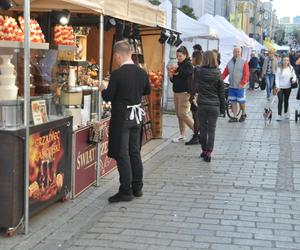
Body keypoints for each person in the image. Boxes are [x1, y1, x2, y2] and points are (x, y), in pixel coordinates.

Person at [100, 40, 151, 203]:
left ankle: (125, 190)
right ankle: (138, 187)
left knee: (123, 154)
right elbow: (147, 90)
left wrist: (102, 88)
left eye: (115, 56)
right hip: (136, 116)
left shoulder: (117, 74)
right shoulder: (141, 72)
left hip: (122, 116)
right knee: (134, 151)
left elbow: (108, 97)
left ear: (117, 55)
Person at [193, 51, 225, 162]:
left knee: (203, 128)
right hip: (214, 105)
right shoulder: (218, 73)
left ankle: (204, 149)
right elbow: (221, 93)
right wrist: (223, 109)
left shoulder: (198, 72)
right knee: (212, 130)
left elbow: (195, 86)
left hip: (202, 104)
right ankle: (209, 152)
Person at [169, 46, 194, 142]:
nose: (178, 58)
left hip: (184, 93)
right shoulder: (179, 65)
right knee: (179, 114)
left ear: (185, 55)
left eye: (180, 56)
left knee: (183, 113)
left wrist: (177, 70)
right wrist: (171, 76)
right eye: (177, 56)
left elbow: (187, 74)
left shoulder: (188, 64)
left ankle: (197, 131)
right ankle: (182, 135)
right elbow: (175, 80)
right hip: (177, 92)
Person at [221, 47, 250, 122]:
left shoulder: (244, 62)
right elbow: (225, 72)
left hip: (240, 86)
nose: (236, 53)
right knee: (233, 101)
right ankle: (234, 116)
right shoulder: (230, 62)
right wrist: (220, 80)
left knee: (241, 101)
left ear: (240, 52)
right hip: (232, 85)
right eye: (235, 51)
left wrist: (242, 83)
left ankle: (243, 113)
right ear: (233, 52)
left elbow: (246, 74)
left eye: (238, 51)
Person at [185, 50, 202, 145]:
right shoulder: (200, 69)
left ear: (195, 58)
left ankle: (196, 136)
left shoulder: (196, 69)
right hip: (198, 96)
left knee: (196, 117)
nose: (191, 59)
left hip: (196, 97)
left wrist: (192, 95)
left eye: (192, 57)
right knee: (197, 117)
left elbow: (195, 84)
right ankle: (198, 135)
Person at [275, 56, 297, 121]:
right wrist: (277, 87)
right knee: (280, 100)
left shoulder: (291, 68)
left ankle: (285, 113)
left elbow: (294, 75)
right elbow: (277, 78)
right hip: (280, 87)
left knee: (286, 100)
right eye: (284, 60)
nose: (286, 62)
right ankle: (279, 115)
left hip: (288, 87)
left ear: (288, 61)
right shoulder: (279, 68)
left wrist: (294, 79)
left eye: (287, 60)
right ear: (282, 61)